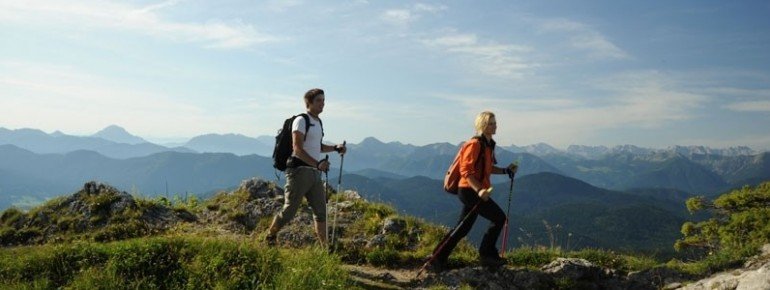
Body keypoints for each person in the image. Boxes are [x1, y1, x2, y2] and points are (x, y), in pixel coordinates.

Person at [429, 111, 517, 272]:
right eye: (491, 123)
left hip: (474, 190)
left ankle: (437, 258)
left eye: (495, 122)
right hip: (470, 190)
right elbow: (466, 171)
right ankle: (487, 255)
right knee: (499, 218)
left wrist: (506, 170)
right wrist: (480, 190)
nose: (495, 125)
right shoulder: (474, 144)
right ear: (483, 125)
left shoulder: (488, 144)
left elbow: (487, 169)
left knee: (462, 227)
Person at [265, 88, 347, 246]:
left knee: (321, 212)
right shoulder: (301, 121)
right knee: (289, 211)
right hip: (298, 172)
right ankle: (270, 235)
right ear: (308, 103)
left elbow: (318, 147)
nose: (322, 104)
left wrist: (335, 148)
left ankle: (325, 249)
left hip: (314, 173)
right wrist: (317, 164)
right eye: (318, 100)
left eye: (323, 100)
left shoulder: (317, 122)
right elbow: (297, 149)